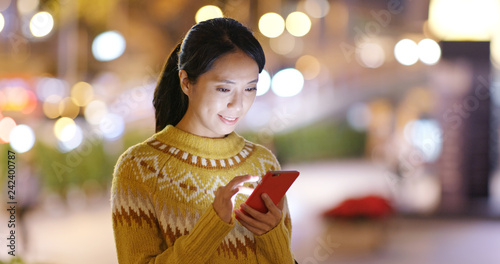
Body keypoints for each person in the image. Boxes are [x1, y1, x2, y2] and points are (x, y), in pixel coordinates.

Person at [111, 17, 294, 263]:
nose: (237, 105)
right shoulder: (139, 167)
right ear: (186, 82)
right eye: (223, 89)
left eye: (250, 88)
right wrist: (211, 227)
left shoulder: (263, 163)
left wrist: (273, 236)